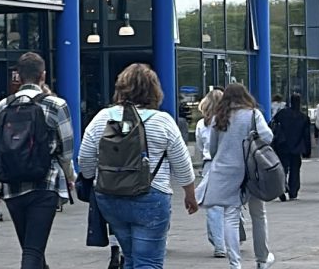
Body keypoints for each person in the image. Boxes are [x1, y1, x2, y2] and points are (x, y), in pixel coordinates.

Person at [78, 63, 198, 268]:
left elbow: (85, 160)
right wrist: (190, 194)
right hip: (151, 196)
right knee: (148, 261)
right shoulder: (163, 121)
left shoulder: (102, 118)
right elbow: (182, 165)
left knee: (130, 256)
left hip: (110, 197)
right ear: (154, 91)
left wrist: (92, 179)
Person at [0, 53, 75, 269]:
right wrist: (70, 178)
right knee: (33, 250)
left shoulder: (3, 106)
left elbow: (2, 146)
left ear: (18, 76)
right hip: (44, 183)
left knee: (31, 248)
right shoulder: (57, 105)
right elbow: (67, 151)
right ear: (43, 76)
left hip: (11, 186)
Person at [197, 83, 275, 269]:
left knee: (230, 217)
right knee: (258, 215)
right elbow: (268, 136)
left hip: (227, 172)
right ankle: (262, 259)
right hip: (252, 171)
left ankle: (235, 263)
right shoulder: (253, 114)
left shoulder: (219, 118)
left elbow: (214, 148)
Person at [195, 89, 227, 258]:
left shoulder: (202, 124)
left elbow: (200, 147)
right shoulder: (229, 121)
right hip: (228, 164)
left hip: (210, 164)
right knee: (230, 205)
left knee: (213, 207)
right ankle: (232, 238)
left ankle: (219, 244)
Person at [269, 93, 310, 202]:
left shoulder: (282, 113)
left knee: (283, 167)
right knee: (295, 169)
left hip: (283, 144)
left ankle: (282, 187)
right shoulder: (303, 117)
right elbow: (306, 136)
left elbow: (272, 124)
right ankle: (293, 191)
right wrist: (307, 150)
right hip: (297, 146)